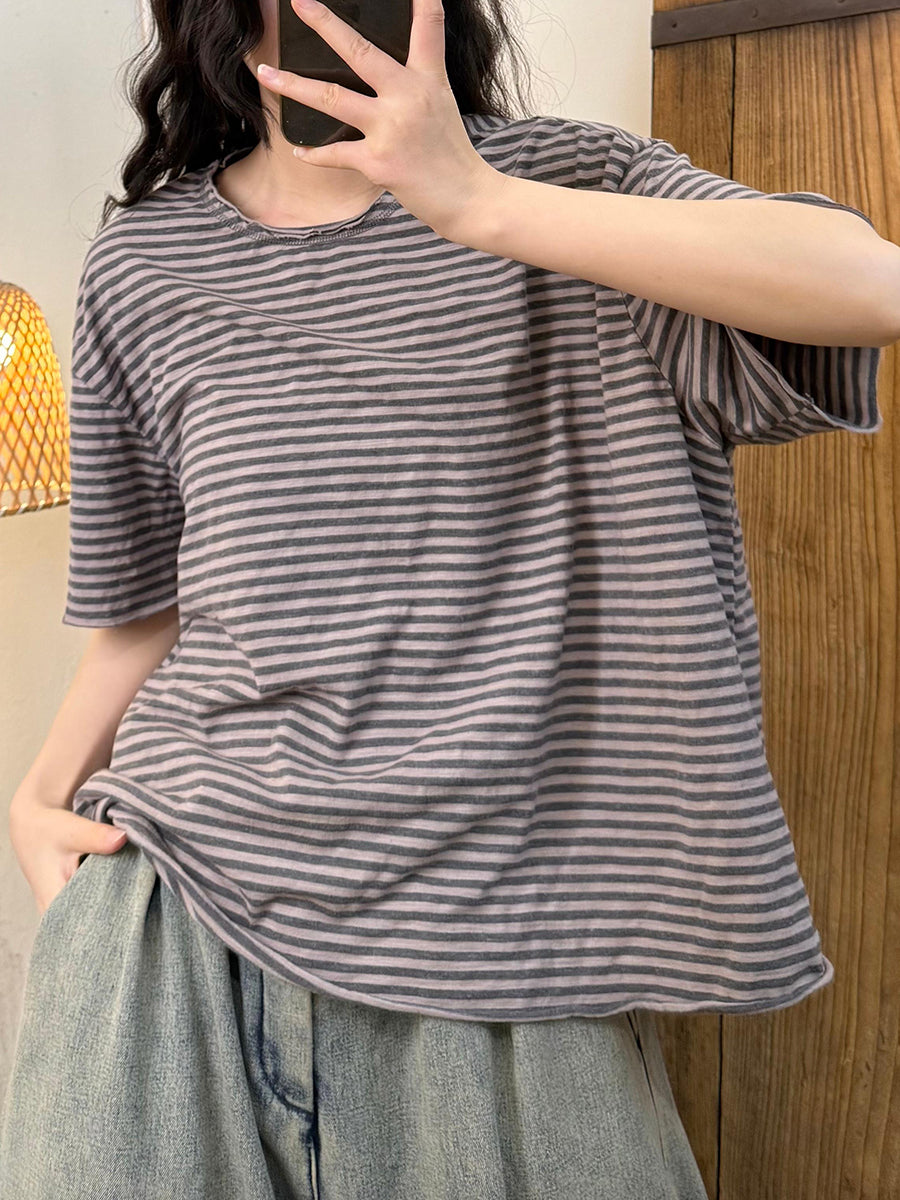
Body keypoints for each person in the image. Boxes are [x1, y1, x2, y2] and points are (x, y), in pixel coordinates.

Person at [1, 0, 891, 1196]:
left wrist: (476, 202)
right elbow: (153, 605)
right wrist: (38, 792)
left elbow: (872, 285)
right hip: (175, 923)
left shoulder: (574, 188)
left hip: (512, 955)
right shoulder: (146, 265)